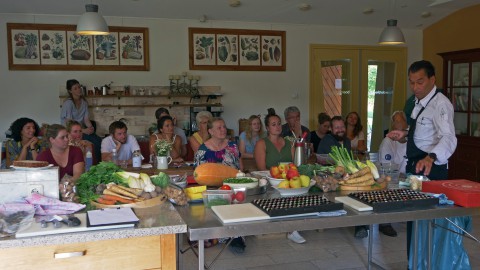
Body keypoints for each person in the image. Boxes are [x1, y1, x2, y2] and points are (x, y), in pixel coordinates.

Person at [387, 60, 458, 261]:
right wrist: (404, 134)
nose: (415, 87)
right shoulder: (418, 102)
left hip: (431, 171)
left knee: (427, 222)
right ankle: (414, 263)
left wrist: (431, 157)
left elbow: (449, 137)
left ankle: (426, 263)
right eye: (411, 82)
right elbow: (423, 133)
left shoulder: (441, 104)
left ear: (431, 80)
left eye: (420, 82)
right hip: (415, 169)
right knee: (414, 219)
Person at [254, 108, 305, 244]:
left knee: (299, 191)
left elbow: (296, 164)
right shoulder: (262, 143)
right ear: (267, 128)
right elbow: (261, 169)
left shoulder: (289, 142)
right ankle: (290, 229)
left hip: (288, 180)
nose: (277, 127)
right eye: (273, 124)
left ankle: (294, 229)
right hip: (271, 182)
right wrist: (276, 180)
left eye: (278, 123)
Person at [194, 117, 245, 253]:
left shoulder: (232, 146)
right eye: (219, 127)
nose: (223, 130)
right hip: (213, 191)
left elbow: (240, 168)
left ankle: (233, 236)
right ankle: (227, 235)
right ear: (210, 131)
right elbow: (200, 175)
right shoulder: (203, 150)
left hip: (233, 188)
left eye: (224, 126)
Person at [376, 111, 410, 238]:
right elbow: (386, 168)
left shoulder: (413, 139)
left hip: (410, 176)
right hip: (393, 177)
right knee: (387, 183)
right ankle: (385, 223)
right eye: (394, 121)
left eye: (399, 121)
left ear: (406, 123)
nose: (396, 124)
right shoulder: (388, 141)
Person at [61, 79, 102, 162]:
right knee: (95, 144)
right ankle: (95, 164)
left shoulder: (84, 102)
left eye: (79, 87)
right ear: (70, 91)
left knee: (99, 140)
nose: (79, 89)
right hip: (71, 131)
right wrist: (83, 130)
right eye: (75, 88)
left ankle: (99, 163)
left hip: (82, 130)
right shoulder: (68, 103)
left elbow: (86, 119)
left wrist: (90, 128)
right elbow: (69, 123)